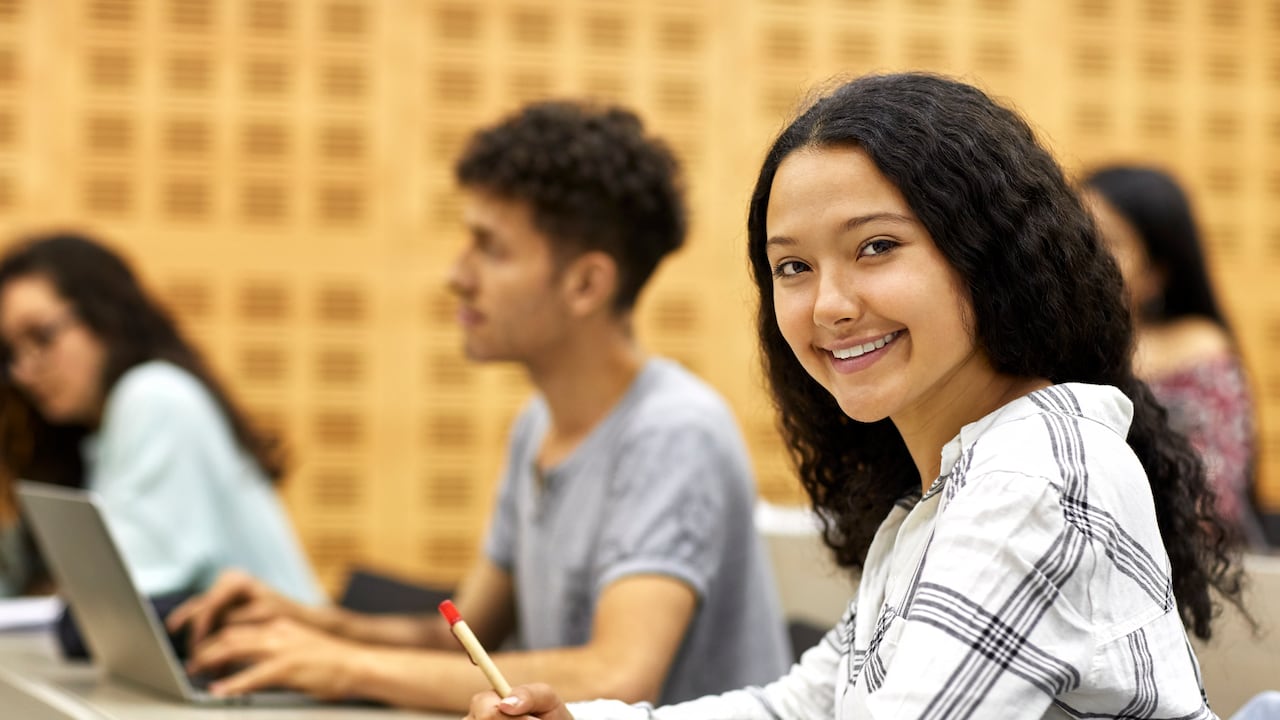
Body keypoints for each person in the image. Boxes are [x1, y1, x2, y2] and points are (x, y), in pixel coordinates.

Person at [465, 72, 1247, 720]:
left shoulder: (1029, 478)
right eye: (792, 267)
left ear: (987, 255)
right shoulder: (941, 492)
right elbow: (803, 706)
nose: (828, 304)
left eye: (876, 247)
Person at [165, 100, 791, 710]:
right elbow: (464, 637)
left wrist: (342, 667)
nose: (457, 275)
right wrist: (312, 626)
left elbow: (618, 675)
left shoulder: (674, 430)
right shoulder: (538, 424)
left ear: (586, 284)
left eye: (490, 249)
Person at [0, 233, 321, 603]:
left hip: (280, 654)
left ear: (106, 315)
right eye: (11, 353)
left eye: (41, 336)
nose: (24, 370)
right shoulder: (87, 435)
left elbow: (117, 599)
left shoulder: (155, 395)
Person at [1083, 166, 1263, 546]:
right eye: (1078, 235)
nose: (1085, 257)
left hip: (1193, 571)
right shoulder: (1049, 345)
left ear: (1156, 274)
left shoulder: (1200, 351)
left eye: (1109, 243)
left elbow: (1214, 502)